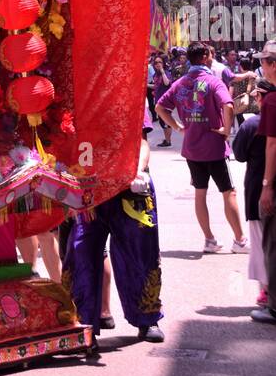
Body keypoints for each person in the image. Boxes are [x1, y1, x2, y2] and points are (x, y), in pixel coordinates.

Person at [63, 104, 164, 345]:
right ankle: (83, 323)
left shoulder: (129, 93)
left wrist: (138, 171)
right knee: (81, 253)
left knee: (140, 254)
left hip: (129, 189)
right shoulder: (74, 97)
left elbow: (141, 142)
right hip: (88, 191)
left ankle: (147, 319)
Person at [156, 42, 248, 253]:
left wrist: (178, 127)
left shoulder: (180, 83)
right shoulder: (213, 82)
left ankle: (209, 240)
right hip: (214, 148)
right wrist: (226, 130)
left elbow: (160, 107)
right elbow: (228, 105)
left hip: (192, 149)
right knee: (229, 192)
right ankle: (240, 240)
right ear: (206, 56)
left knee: (200, 193)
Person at [232, 80, 271, 308]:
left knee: (259, 242)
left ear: (258, 97)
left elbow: (239, 154)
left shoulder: (252, 125)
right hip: (264, 186)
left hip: (258, 188)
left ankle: (266, 291)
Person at [252, 41, 276, 325]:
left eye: (266, 62)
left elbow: (272, 144)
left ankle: (274, 306)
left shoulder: (271, 101)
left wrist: (267, 185)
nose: (264, 67)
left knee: (272, 242)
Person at [152, 56, 172, 146]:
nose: (158, 64)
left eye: (160, 62)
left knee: (166, 120)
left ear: (163, 63)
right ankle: (167, 140)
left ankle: (168, 141)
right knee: (161, 121)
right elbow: (156, 86)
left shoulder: (166, 73)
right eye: (156, 62)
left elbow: (167, 83)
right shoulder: (155, 75)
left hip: (165, 101)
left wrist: (163, 71)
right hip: (158, 100)